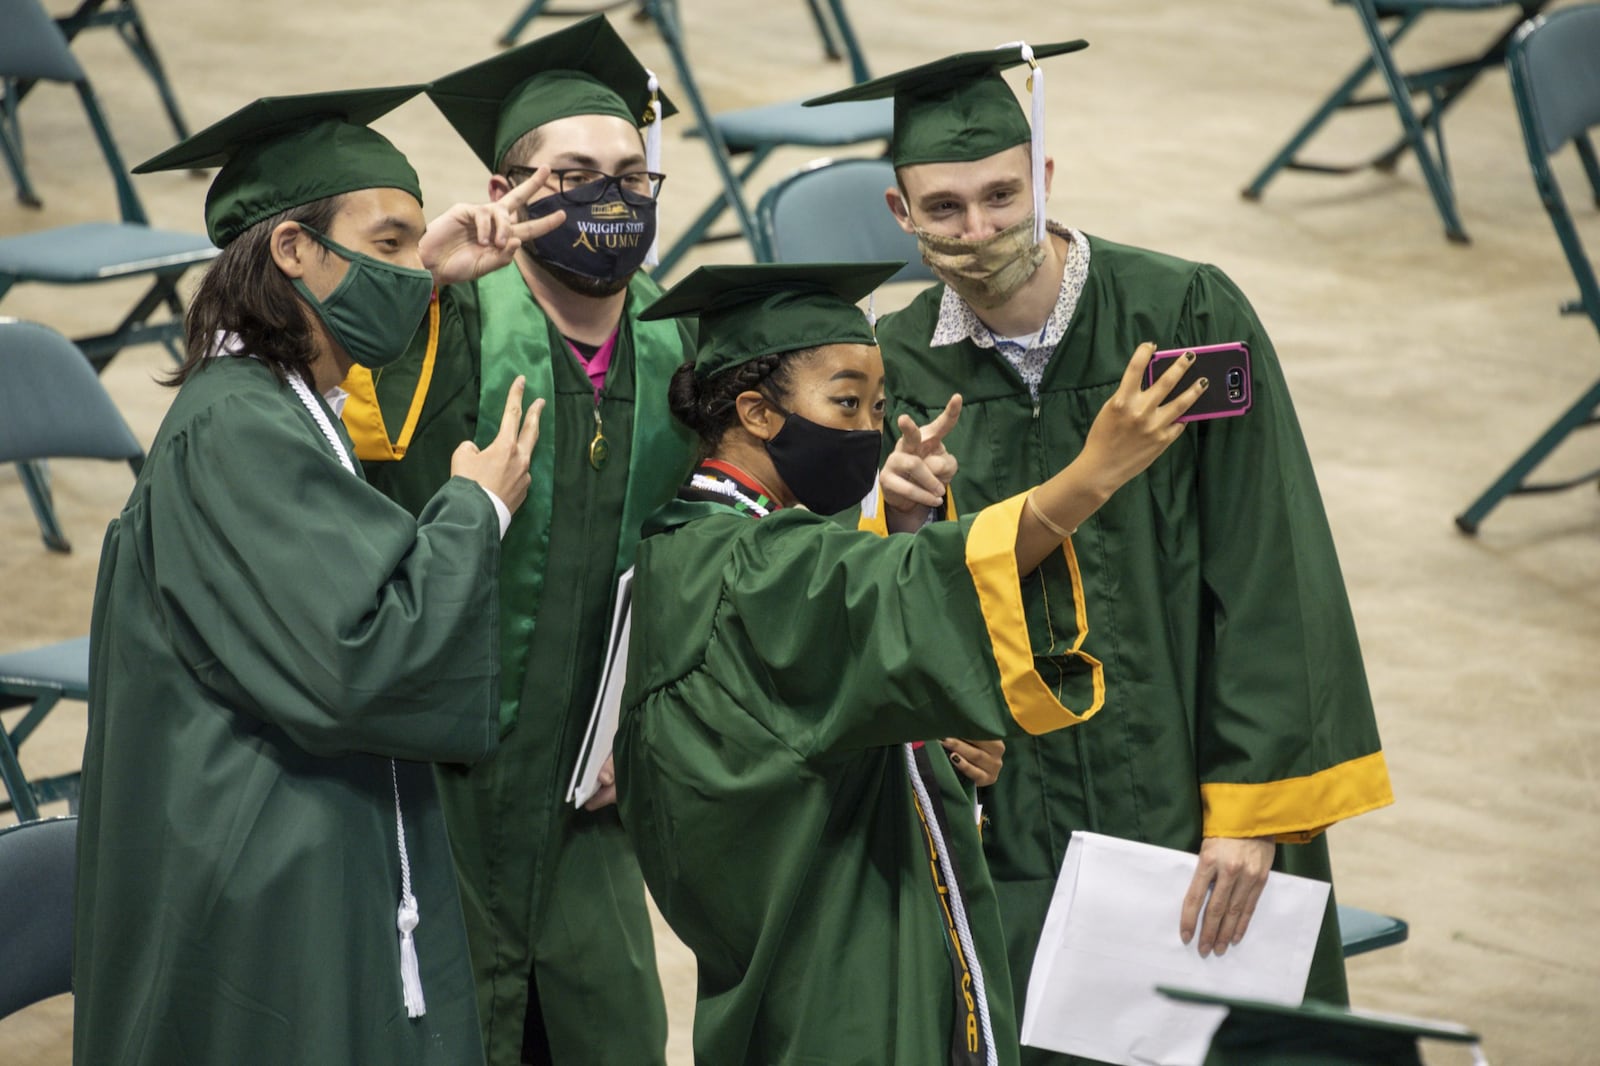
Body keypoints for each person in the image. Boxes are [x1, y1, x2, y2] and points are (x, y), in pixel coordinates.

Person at [808, 42, 1396, 1063]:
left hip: (1197, 793)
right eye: (943, 209)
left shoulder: (1179, 317)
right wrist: (889, 523)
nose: (979, 229)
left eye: (1000, 195)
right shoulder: (889, 369)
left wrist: (1254, 811)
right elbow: (861, 611)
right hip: (1018, 822)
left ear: (1042, 178)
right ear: (899, 215)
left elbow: (1271, 566)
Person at [73, 87, 563, 1066]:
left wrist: (419, 271)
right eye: (385, 244)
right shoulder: (238, 427)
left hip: (288, 834)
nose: (403, 268)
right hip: (255, 867)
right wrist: (477, 508)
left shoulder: (279, 403)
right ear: (294, 251)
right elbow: (360, 658)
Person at [614, 261, 1208, 1065]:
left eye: (880, 405)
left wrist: (927, 750)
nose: (869, 430)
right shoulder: (744, 567)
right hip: (838, 964)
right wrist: (1092, 472)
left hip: (819, 945)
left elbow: (809, 696)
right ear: (755, 412)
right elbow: (899, 590)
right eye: (846, 402)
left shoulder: (690, 543)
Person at [340, 18, 692, 1065]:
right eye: (574, 175)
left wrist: (655, 709)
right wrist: (429, 286)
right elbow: (342, 459)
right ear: (507, 188)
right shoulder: (442, 325)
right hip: (439, 772)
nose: (610, 199)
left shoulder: (682, 346)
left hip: (594, 785)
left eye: (632, 174)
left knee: (607, 1027)